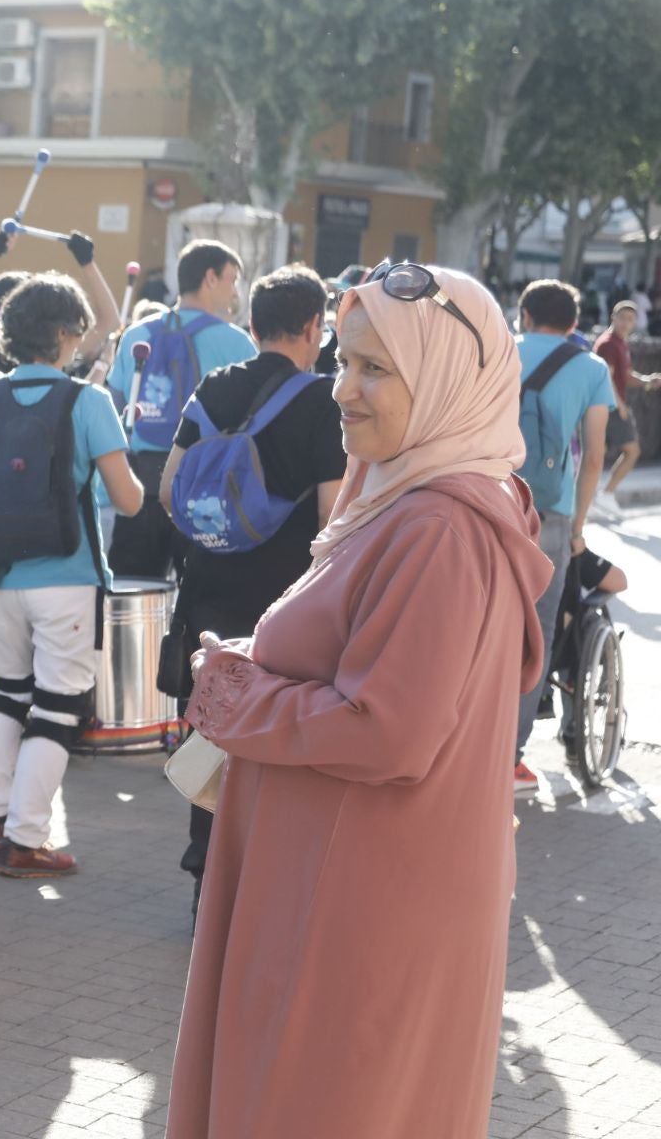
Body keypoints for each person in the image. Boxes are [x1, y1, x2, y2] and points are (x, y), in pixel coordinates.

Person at [169, 264, 545, 1139]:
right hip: (338, 887)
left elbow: (389, 732)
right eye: (343, 361)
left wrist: (234, 691)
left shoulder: (439, 529)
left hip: (350, 910)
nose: (342, 389)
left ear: (449, 379)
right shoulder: (410, 501)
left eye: (377, 370)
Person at [156, 265, 346, 913]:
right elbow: (332, 517)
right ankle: (260, 898)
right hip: (280, 610)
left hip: (206, 593)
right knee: (270, 752)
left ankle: (204, 888)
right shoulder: (324, 402)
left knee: (210, 741)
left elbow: (167, 492)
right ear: (315, 327)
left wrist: (218, 535)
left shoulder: (213, 387)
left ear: (253, 323)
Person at [0, 275, 141, 877]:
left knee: (6, 692)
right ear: (65, 334)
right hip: (65, 575)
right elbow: (129, 500)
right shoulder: (89, 402)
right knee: (57, 707)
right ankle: (26, 839)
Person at [511, 278, 612, 793]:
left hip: (484, 503)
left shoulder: (497, 349)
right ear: (575, 324)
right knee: (536, 635)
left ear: (525, 316)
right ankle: (511, 758)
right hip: (549, 513)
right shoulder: (591, 368)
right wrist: (578, 526)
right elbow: (594, 454)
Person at [106, 239, 256, 579]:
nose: (235, 292)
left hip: (138, 481)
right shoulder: (235, 341)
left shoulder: (136, 334)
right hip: (205, 483)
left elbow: (115, 405)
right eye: (232, 280)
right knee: (201, 592)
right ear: (210, 278)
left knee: (134, 592)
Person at [593, 299, 658, 517]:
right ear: (613, 318)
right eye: (622, 318)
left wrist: (648, 380)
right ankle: (605, 494)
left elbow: (626, 376)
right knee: (632, 450)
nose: (626, 323)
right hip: (609, 406)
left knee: (598, 452)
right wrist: (619, 406)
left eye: (630, 319)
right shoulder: (609, 344)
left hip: (610, 405)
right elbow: (607, 378)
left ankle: (596, 495)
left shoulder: (621, 343)